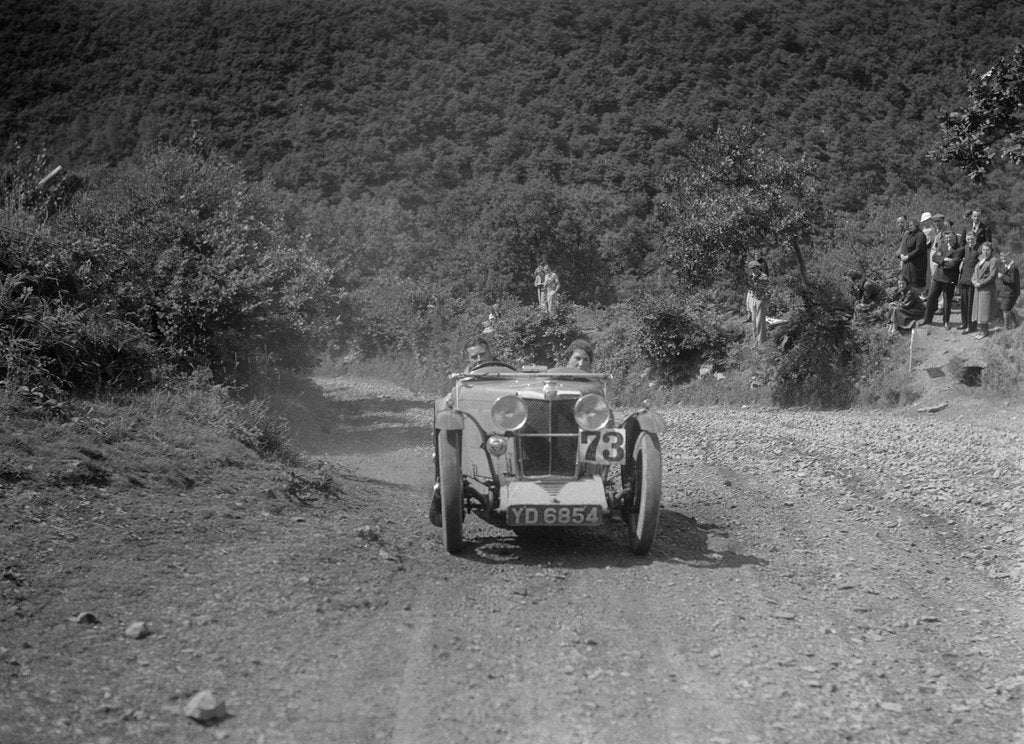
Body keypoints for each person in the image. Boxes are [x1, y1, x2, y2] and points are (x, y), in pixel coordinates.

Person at [923, 231, 963, 329]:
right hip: (938, 277)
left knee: (947, 301)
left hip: (949, 279)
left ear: (954, 237)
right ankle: (927, 319)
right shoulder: (942, 245)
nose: (948, 239)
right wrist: (945, 259)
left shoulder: (959, 249)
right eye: (947, 238)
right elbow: (934, 257)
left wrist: (941, 261)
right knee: (931, 297)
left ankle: (946, 321)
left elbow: (953, 264)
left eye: (950, 237)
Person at [971, 242, 1000, 339]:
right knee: (979, 310)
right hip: (978, 289)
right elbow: (975, 273)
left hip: (986, 289)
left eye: (988, 250)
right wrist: (974, 281)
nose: (985, 252)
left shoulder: (993, 260)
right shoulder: (980, 260)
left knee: (985, 310)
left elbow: (992, 276)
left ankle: (985, 331)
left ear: (991, 251)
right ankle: (981, 330)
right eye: (983, 249)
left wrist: (981, 283)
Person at [898, 215, 929, 294]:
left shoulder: (920, 235)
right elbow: (903, 246)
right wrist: (901, 254)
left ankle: (917, 300)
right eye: (909, 225)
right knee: (906, 280)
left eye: (911, 225)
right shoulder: (907, 234)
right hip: (906, 262)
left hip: (916, 263)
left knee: (915, 283)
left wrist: (908, 256)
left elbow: (919, 249)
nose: (910, 227)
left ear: (916, 225)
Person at [958, 231, 981, 333]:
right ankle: (964, 323)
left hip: (972, 280)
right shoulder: (966, 248)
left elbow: (982, 264)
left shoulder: (980, 249)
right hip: (963, 279)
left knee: (971, 304)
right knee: (963, 303)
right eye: (968, 239)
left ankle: (971, 327)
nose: (970, 241)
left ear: (975, 238)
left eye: (972, 239)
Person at [745, 259, 770, 345]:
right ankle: (755, 341)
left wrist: (765, 300)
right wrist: (748, 304)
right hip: (752, 300)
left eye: (754, 268)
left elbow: (769, 290)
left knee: (760, 322)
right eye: (751, 268)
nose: (753, 270)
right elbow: (749, 290)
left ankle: (761, 342)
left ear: (758, 267)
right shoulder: (750, 276)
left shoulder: (764, 277)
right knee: (754, 322)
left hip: (761, 301)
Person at [996, 246, 1020, 331]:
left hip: (1012, 292)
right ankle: (1016, 323)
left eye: (1005, 258)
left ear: (1010, 257)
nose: (1003, 260)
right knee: (1009, 307)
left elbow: (1012, 281)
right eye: (1002, 258)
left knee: (1005, 309)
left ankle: (1007, 328)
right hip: (1006, 291)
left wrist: (1002, 276)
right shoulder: (1005, 265)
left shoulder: (1014, 268)